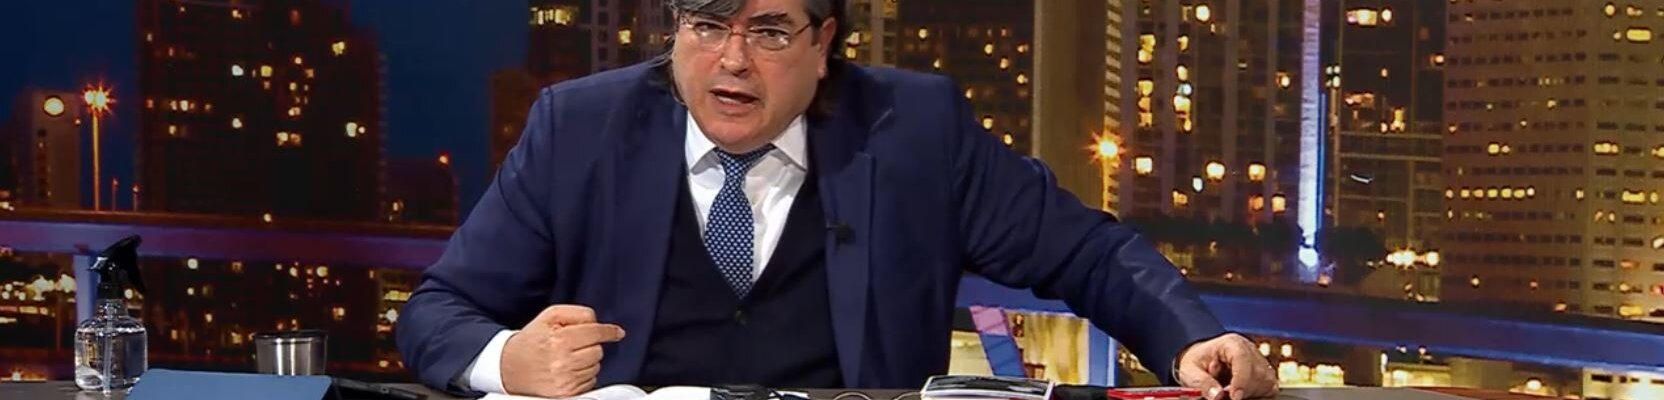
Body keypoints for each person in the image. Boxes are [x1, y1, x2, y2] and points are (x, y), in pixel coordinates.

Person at [395, 0, 1278, 399]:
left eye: (769, 31)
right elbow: (439, 311)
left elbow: (1085, 251)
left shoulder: (913, 130)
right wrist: (507, 361)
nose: (731, 59)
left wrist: (1190, 338)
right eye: (708, 24)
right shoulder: (580, 128)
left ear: (823, 45)